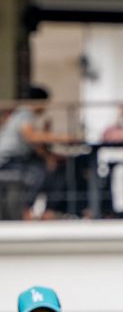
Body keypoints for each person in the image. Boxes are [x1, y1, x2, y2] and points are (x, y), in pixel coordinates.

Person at [0, 86, 73, 219]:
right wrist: (62, 137)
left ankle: (46, 210)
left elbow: (34, 145)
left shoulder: (22, 114)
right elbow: (30, 136)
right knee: (39, 173)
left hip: (17, 158)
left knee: (52, 167)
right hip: (9, 160)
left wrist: (49, 155)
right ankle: (28, 210)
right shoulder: (25, 112)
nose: (45, 108)